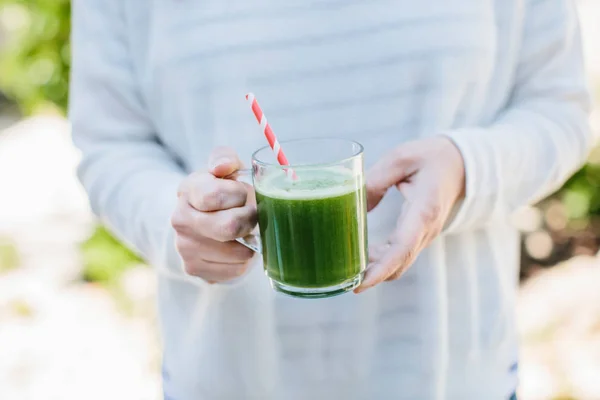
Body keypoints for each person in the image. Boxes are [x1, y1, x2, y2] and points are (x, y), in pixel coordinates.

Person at [70, 0, 594, 399]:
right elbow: (111, 144)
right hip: (230, 379)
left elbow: (562, 106)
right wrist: (178, 221)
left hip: (452, 376)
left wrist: (466, 168)